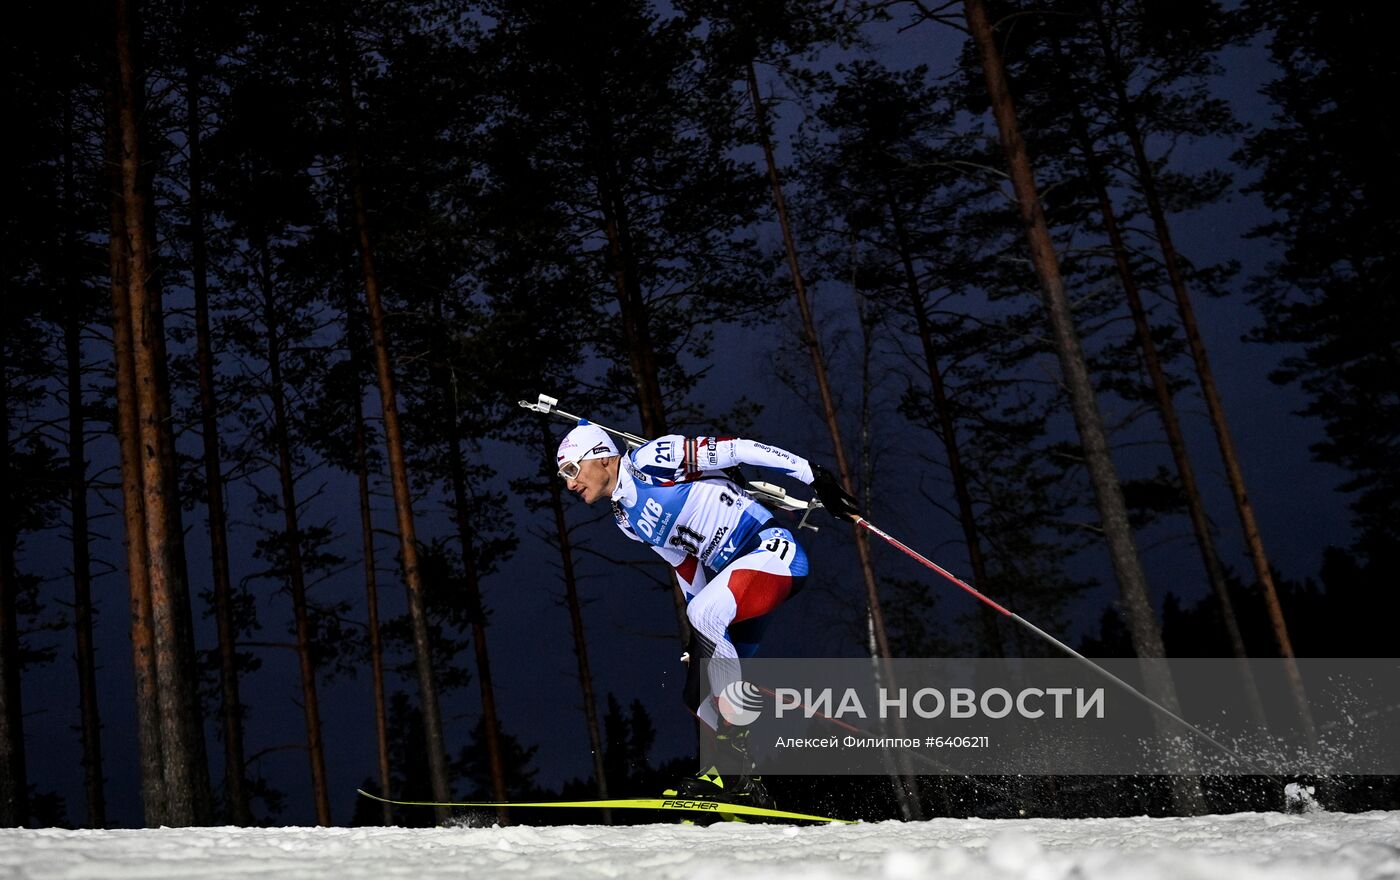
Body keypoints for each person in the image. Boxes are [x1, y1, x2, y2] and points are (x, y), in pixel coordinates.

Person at [555, 420, 856, 809]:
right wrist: (702, 632)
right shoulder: (626, 520)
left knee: (704, 617)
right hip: (739, 581)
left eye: (571, 470)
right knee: (696, 692)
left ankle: (732, 764)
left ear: (603, 457)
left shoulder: (650, 461)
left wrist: (812, 475)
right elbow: (685, 566)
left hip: (772, 552)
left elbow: (739, 449)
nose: (569, 483)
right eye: (564, 475)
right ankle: (745, 780)